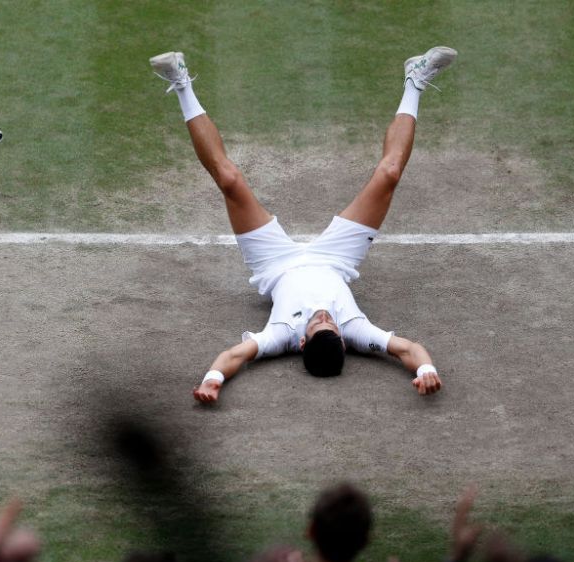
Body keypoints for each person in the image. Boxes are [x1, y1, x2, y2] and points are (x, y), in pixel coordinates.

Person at [148, 48, 453, 403]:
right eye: (332, 324)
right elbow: (409, 350)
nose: (325, 316)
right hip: (335, 259)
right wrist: (426, 370)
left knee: (229, 179)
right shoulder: (357, 330)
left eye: (317, 322)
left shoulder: (280, 334)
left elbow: (233, 356)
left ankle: (181, 82)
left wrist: (212, 381)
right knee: (389, 173)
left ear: (302, 340)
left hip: (274, 263)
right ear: (342, 337)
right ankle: (415, 80)